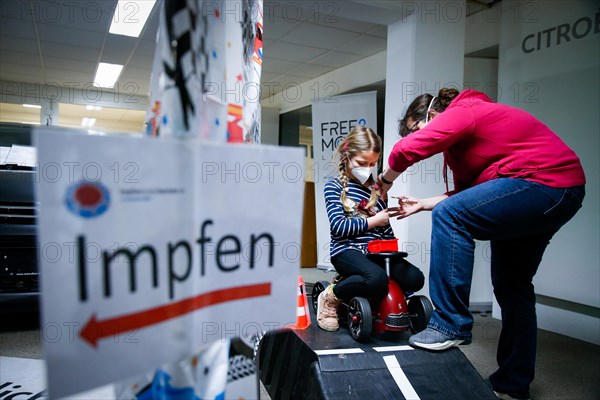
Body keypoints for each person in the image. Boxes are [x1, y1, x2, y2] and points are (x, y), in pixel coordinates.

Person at [377, 88, 586, 400]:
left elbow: (408, 150)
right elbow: (466, 198)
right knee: (512, 286)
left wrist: (385, 180)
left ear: (431, 115)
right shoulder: (459, 153)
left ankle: (450, 324)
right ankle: (512, 384)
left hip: (545, 183)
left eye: (415, 127)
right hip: (549, 191)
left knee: (451, 217)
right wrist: (420, 204)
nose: (416, 134)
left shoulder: (467, 110)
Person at [316, 126, 425, 332]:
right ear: (346, 156)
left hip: (376, 252)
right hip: (346, 251)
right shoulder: (334, 187)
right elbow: (338, 227)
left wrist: (388, 229)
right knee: (377, 279)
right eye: (361, 163)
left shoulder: (375, 190)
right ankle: (332, 296)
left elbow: (385, 232)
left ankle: (382, 300)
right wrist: (373, 221)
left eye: (373, 164)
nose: (367, 168)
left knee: (415, 278)